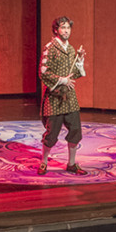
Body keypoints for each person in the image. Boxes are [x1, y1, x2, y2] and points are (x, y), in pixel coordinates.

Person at [38, 15, 87, 176]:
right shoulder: (50, 48)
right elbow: (43, 72)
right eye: (63, 28)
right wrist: (61, 80)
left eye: (68, 28)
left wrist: (79, 59)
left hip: (70, 98)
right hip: (55, 97)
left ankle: (71, 164)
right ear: (56, 30)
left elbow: (76, 73)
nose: (66, 31)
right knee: (52, 134)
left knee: (75, 131)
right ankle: (44, 162)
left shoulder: (71, 49)